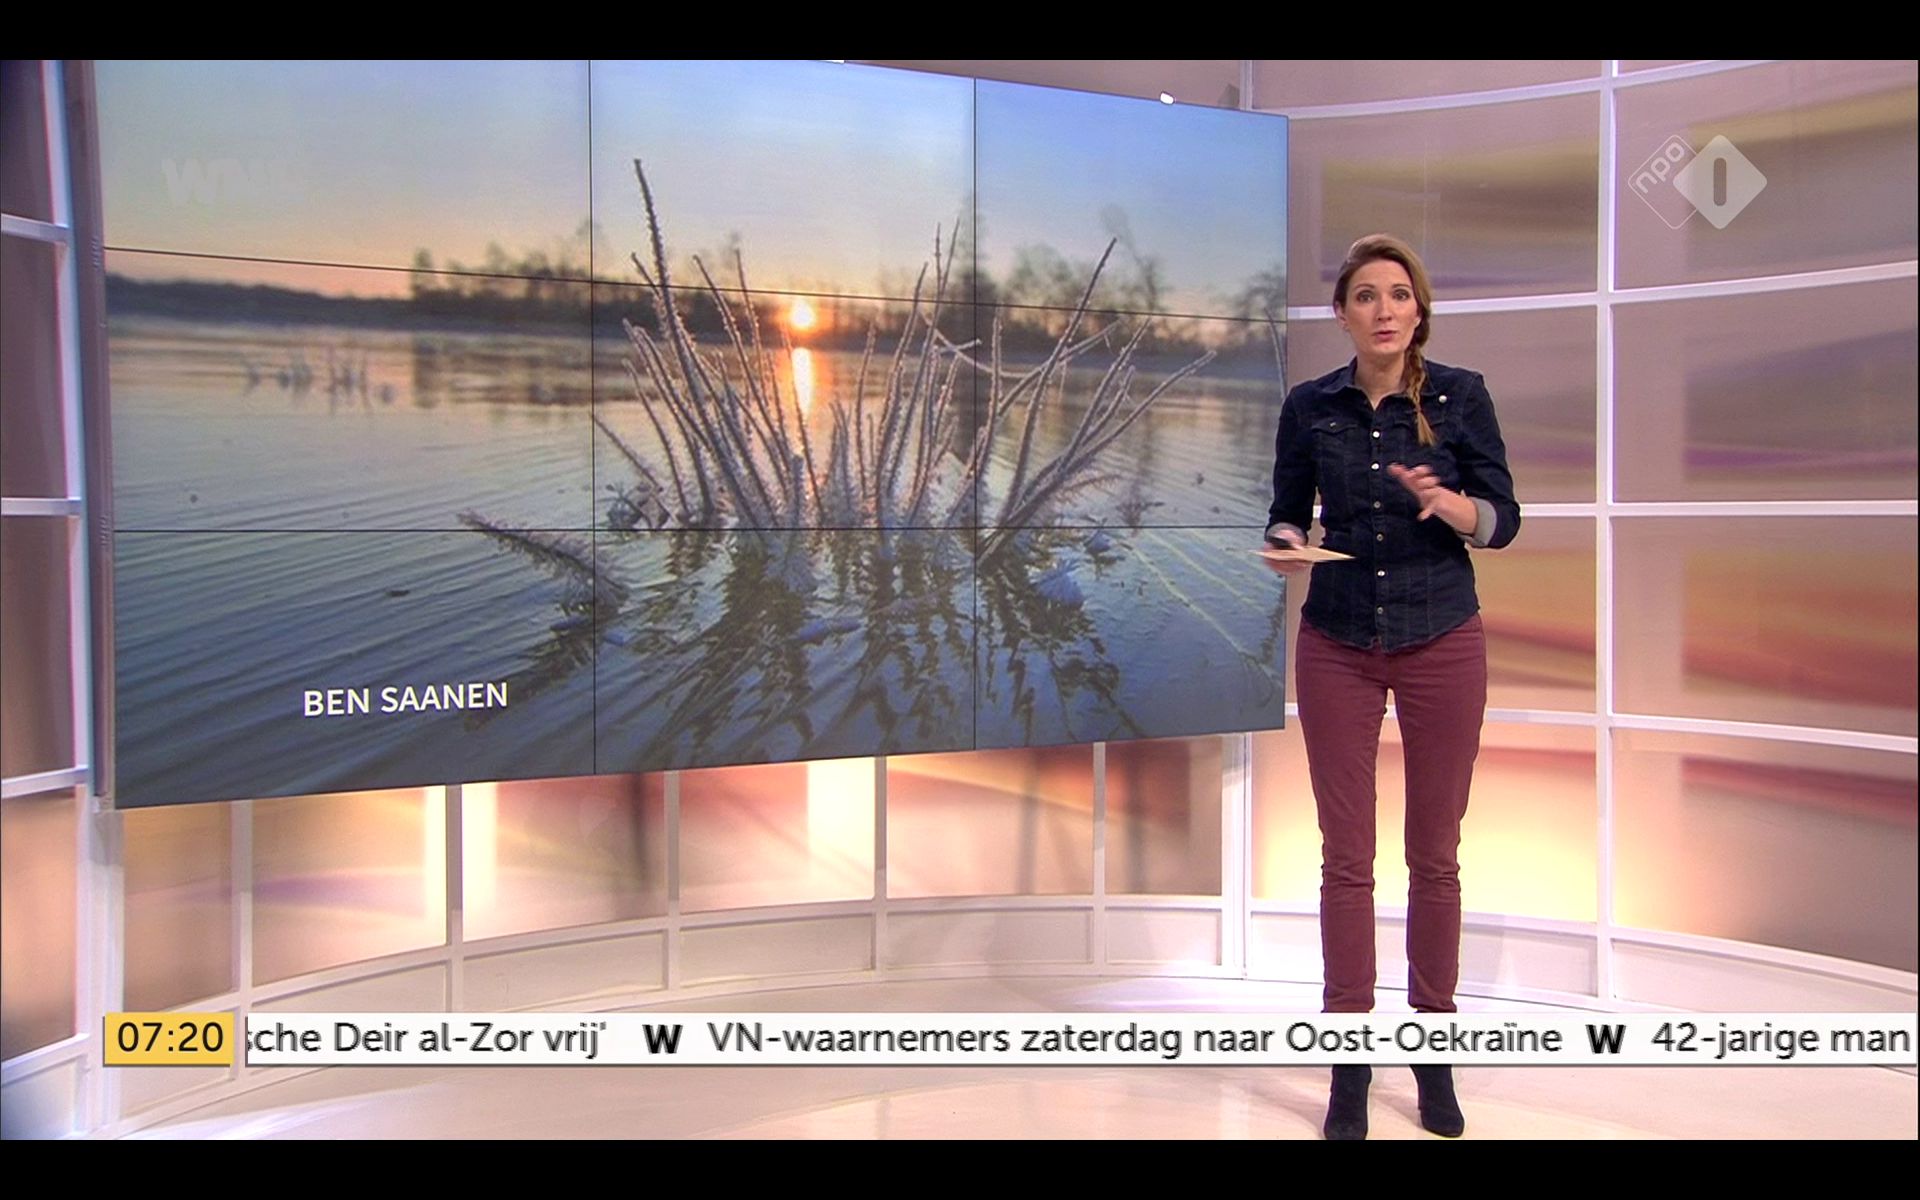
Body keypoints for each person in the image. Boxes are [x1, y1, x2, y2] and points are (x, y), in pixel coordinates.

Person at [1263, 234, 1520, 1140]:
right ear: (1342, 313)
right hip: (1336, 638)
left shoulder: (1461, 396)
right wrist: (1285, 544)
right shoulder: (1311, 406)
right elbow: (1286, 510)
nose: (1384, 309)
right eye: (1366, 295)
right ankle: (1350, 1062)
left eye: (1399, 294)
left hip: (1441, 634)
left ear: (1419, 310)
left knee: (1434, 855)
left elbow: (1505, 519)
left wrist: (1452, 506)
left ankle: (1432, 1050)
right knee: (1346, 859)